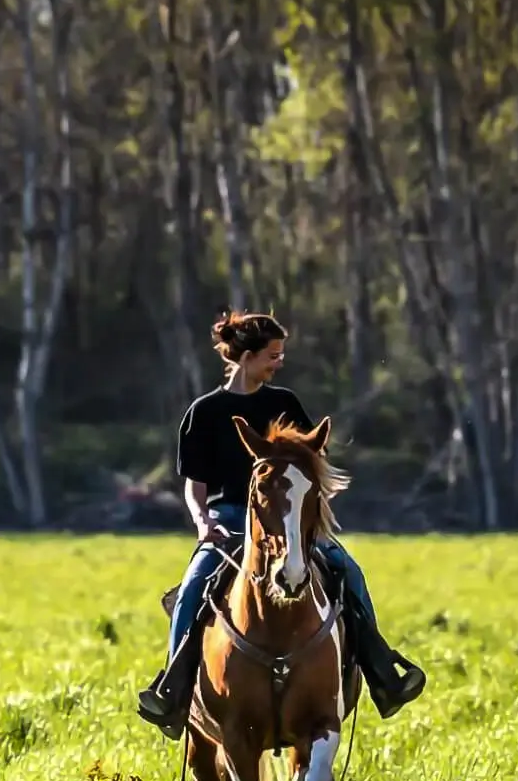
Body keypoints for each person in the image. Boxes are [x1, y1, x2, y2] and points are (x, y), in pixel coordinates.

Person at [135, 311, 426, 736]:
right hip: (231, 519)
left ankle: (382, 671)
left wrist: (307, 516)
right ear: (247, 357)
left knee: (348, 570)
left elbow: (310, 467)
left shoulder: (285, 404)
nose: (279, 363)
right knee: (192, 589)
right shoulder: (204, 413)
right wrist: (203, 524)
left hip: (290, 521)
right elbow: (194, 488)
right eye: (272, 355)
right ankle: (173, 688)